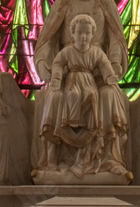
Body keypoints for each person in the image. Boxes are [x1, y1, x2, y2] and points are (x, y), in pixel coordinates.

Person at [39, 14, 126, 177]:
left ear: (92, 34)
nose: (83, 37)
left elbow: (105, 64)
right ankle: (71, 124)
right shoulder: (68, 51)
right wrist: (56, 78)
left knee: (92, 95)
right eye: (80, 33)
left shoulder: (96, 51)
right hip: (71, 79)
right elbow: (57, 63)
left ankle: (98, 141)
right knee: (72, 94)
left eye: (87, 33)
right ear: (72, 33)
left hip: (90, 80)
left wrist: (110, 76)